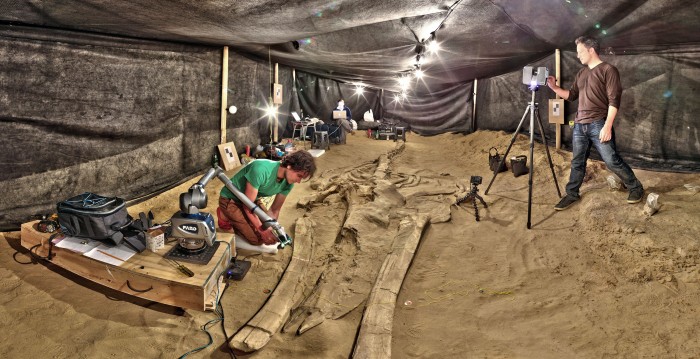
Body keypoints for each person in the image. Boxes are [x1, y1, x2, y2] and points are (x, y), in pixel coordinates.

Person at [546, 36, 644, 211]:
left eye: (580, 52)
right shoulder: (581, 73)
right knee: (577, 162)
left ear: (591, 50)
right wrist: (554, 88)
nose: (578, 56)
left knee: (611, 161)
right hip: (579, 125)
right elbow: (571, 95)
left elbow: (614, 100)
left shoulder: (608, 69)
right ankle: (571, 194)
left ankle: (635, 187)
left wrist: (607, 126)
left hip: (598, 123)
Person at [217, 150, 316, 246]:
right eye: (299, 176)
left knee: (268, 235)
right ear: (289, 166)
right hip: (231, 200)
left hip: (252, 200)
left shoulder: (289, 183)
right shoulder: (261, 169)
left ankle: (237, 219)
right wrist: (262, 231)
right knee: (257, 239)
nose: (298, 181)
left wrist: (274, 229)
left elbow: (274, 210)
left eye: (301, 178)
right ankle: (224, 215)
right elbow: (247, 206)